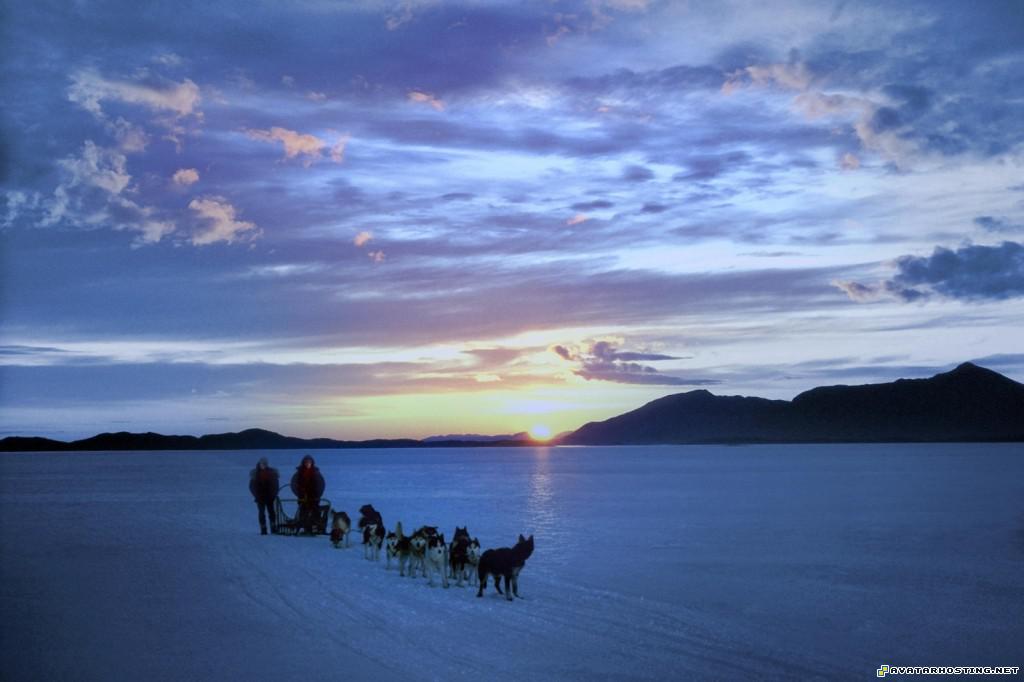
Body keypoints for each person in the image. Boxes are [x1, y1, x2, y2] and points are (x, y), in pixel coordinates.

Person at [290, 454, 325, 534]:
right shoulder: (299, 473)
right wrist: (300, 493)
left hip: (314, 496)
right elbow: (295, 485)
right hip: (303, 496)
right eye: (306, 462)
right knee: (303, 512)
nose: (308, 463)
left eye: (309, 462)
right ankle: (306, 528)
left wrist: (317, 495)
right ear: (303, 463)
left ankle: (315, 528)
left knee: (315, 512)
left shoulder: (316, 473)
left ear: (312, 463)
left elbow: (320, 485)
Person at [249, 457, 280, 535]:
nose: (263, 465)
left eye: (265, 464)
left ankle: (273, 527)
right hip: (260, 497)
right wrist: (257, 495)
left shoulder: (270, 473)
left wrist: (273, 495)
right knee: (262, 513)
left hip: (269, 497)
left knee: (271, 512)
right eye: (262, 464)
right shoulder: (255, 474)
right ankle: (263, 528)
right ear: (259, 464)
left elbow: (275, 485)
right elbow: (252, 486)